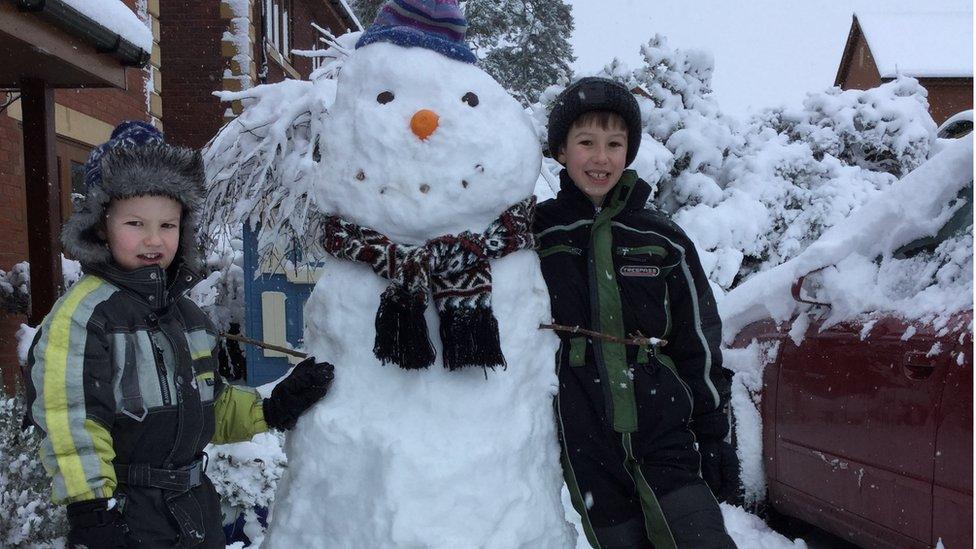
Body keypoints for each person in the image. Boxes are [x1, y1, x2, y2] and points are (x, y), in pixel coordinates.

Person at [24, 121, 333, 548]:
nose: (153, 239)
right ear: (101, 225)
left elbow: (212, 405)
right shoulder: (85, 316)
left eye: (167, 225)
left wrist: (274, 408)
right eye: (135, 223)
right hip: (126, 517)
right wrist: (92, 509)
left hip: (193, 511)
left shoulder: (186, 316)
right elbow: (70, 418)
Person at [534, 77, 740, 549]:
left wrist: (713, 432)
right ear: (561, 152)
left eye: (614, 143)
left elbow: (698, 337)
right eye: (586, 143)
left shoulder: (661, 237)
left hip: (663, 428)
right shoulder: (538, 234)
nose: (601, 157)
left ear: (629, 151)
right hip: (585, 437)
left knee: (699, 540)